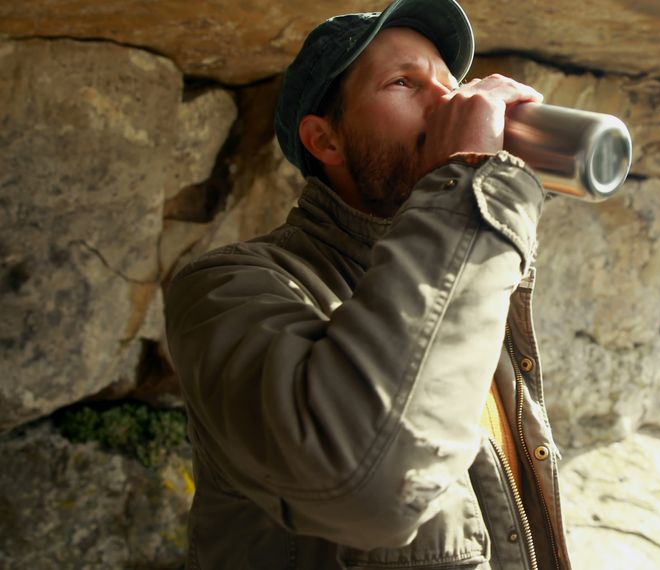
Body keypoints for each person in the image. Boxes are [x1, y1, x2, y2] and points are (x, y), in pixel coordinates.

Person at [163, 0, 571, 567]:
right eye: (404, 82)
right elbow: (370, 488)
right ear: (325, 140)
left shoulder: (473, 276)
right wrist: (474, 186)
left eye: (451, 84)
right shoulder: (226, 289)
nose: (449, 102)